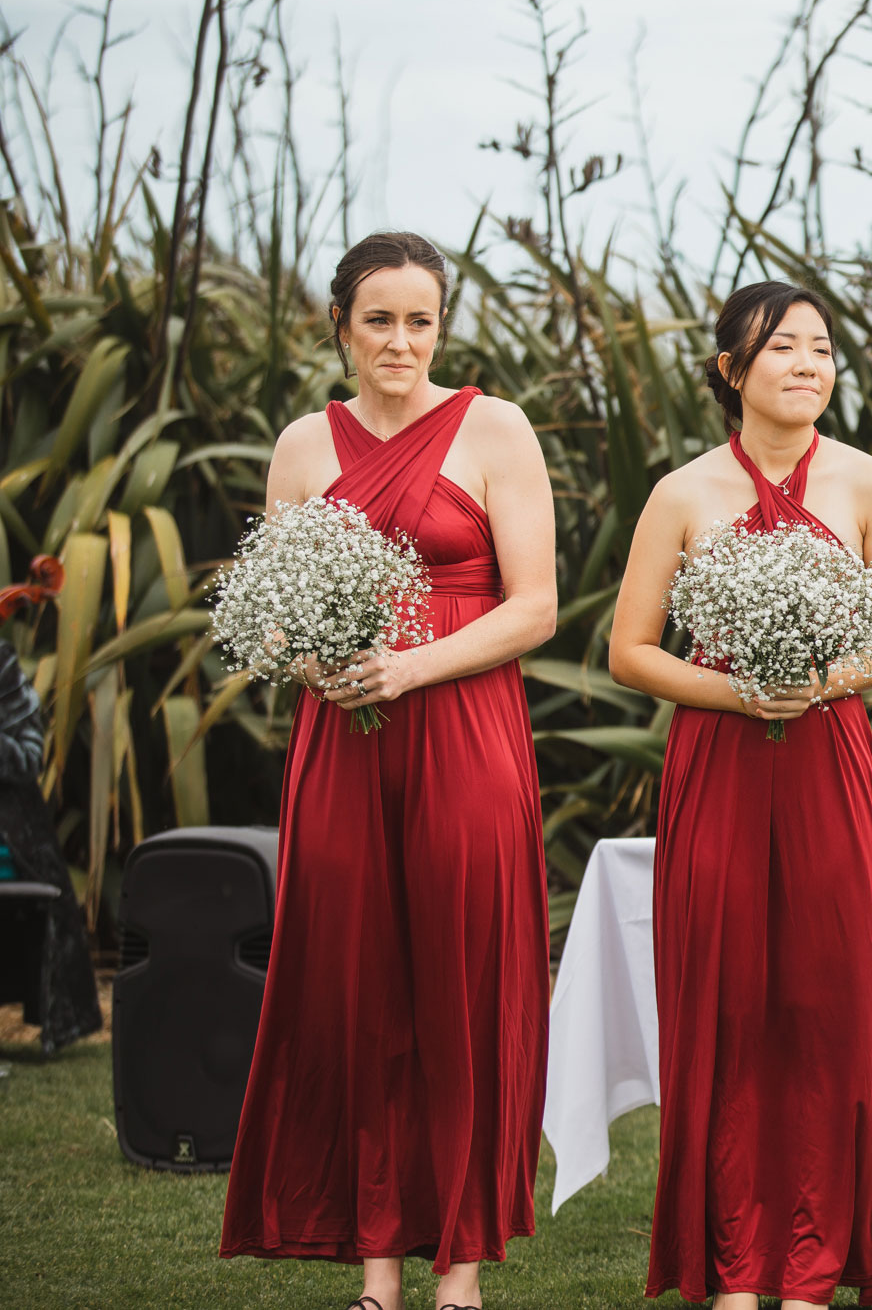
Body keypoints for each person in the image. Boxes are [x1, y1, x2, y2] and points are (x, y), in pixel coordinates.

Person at [219, 231, 557, 1310]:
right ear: (341, 328)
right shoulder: (302, 447)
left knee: (459, 986)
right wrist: (315, 655)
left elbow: (535, 607)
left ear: (441, 326)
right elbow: (276, 605)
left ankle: (458, 1269)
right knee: (357, 990)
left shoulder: (495, 428)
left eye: (419, 320)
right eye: (379, 320)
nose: (400, 341)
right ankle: (377, 1270)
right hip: (343, 744)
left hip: (464, 732)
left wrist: (409, 666)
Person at [607, 280, 872, 1308]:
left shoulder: (870, 483)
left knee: (828, 1004)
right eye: (782, 347)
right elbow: (627, 650)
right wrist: (739, 692)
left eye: (820, 348)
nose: (806, 364)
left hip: (828, 759)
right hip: (718, 763)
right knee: (730, 1003)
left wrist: (823, 680)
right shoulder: (683, 492)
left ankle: (816, 1259)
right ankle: (737, 1263)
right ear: (729, 370)